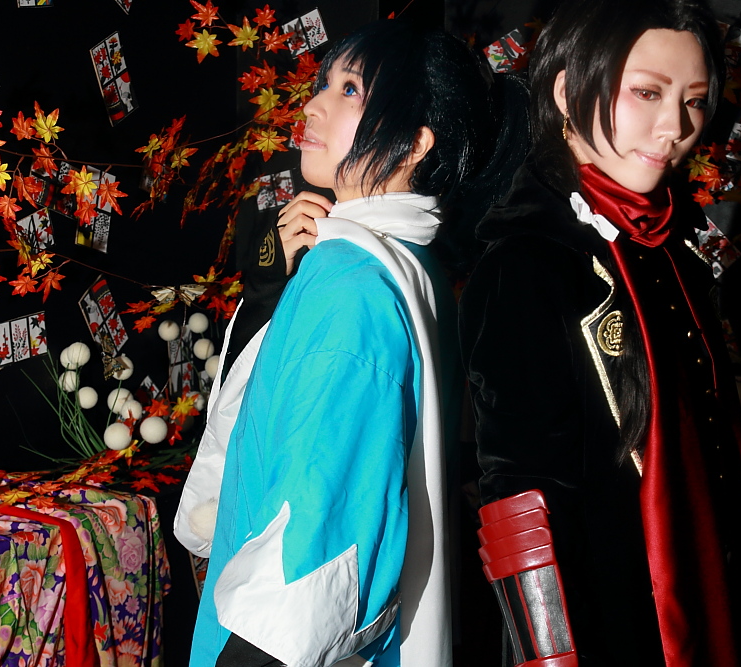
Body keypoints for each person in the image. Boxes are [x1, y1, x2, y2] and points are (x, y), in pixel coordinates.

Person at [176, 19, 527, 667]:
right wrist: (271, 294)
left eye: (349, 90)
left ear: (413, 143)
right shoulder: (410, 265)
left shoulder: (353, 285)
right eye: (323, 83)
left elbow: (317, 539)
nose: (312, 104)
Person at [458, 1, 741, 665]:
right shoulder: (528, 262)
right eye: (648, 93)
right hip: (610, 628)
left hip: (711, 609)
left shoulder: (669, 245)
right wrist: (551, 656)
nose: (675, 127)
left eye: (693, 101)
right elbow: (517, 498)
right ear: (566, 91)